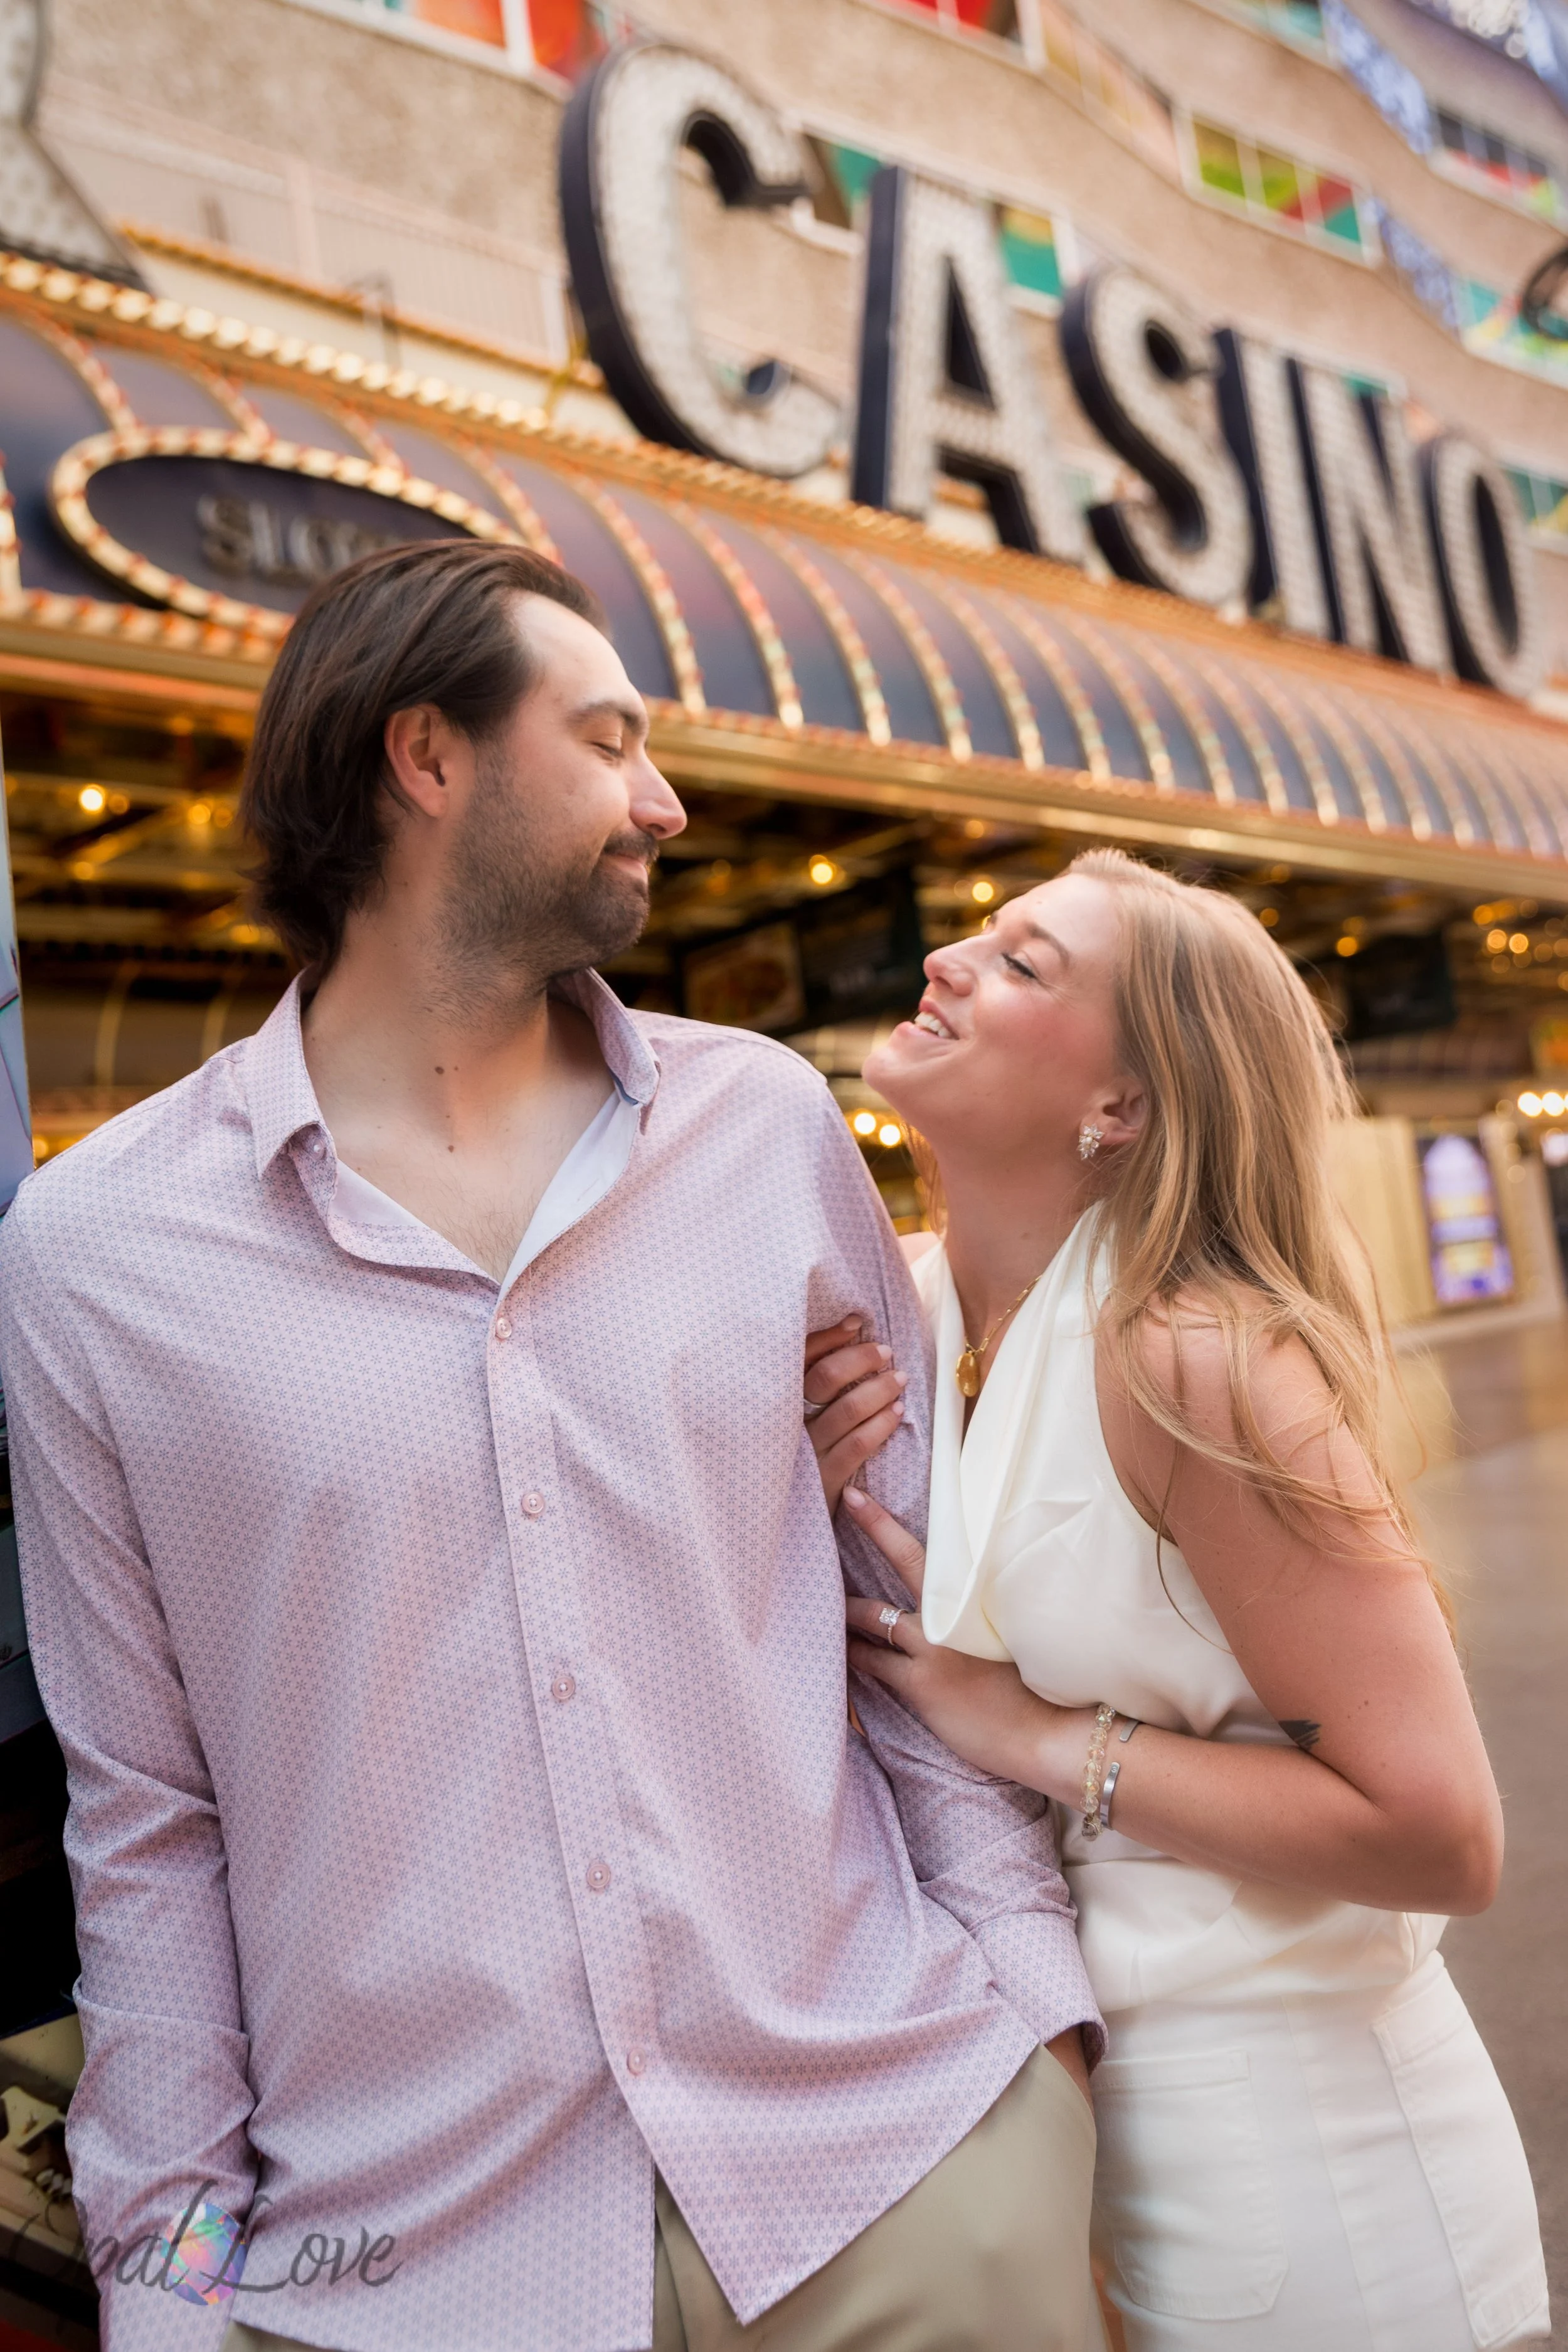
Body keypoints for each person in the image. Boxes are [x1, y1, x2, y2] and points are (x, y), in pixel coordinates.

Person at [0, 541, 1105, 2352]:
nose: (663, 800)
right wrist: (173, 2286)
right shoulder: (98, 1256)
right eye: (608, 738)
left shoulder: (762, 1127)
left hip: (901, 2170)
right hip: (405, 2270)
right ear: (425, 756)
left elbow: (908, 1623)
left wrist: (1041, 2034)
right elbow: (147, 1820)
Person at [805, 850, 1549, 2351]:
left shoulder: (1192, 1358)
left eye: (1024, 966)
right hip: (1078, 2106)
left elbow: (1438, 1834)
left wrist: (1029, 1735)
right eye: (979, 934)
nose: (946, 960)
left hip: (1293, 2139)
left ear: (1120, 1110)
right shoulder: (908, 1304)